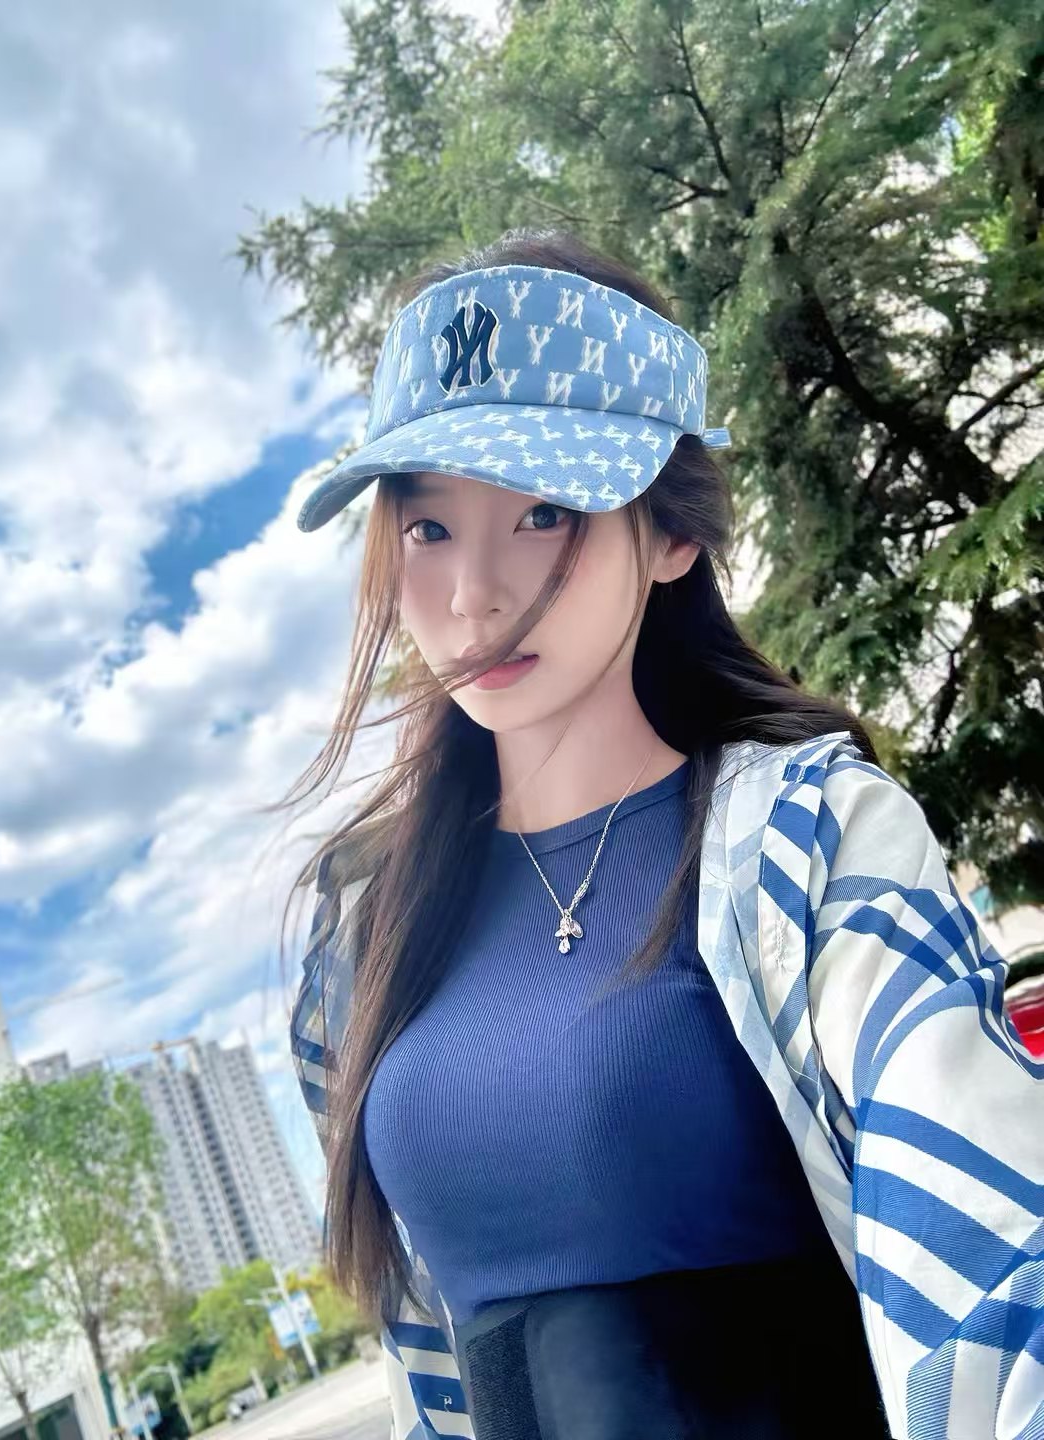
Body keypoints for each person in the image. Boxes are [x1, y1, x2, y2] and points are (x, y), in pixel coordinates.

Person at [284, 227, 1043, 1439]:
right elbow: (423, 1373)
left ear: (673, 533)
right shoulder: (363, 933)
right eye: (427, 529)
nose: (473, 594)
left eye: (543, 511)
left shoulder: (811, 840)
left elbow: (994, 1270)